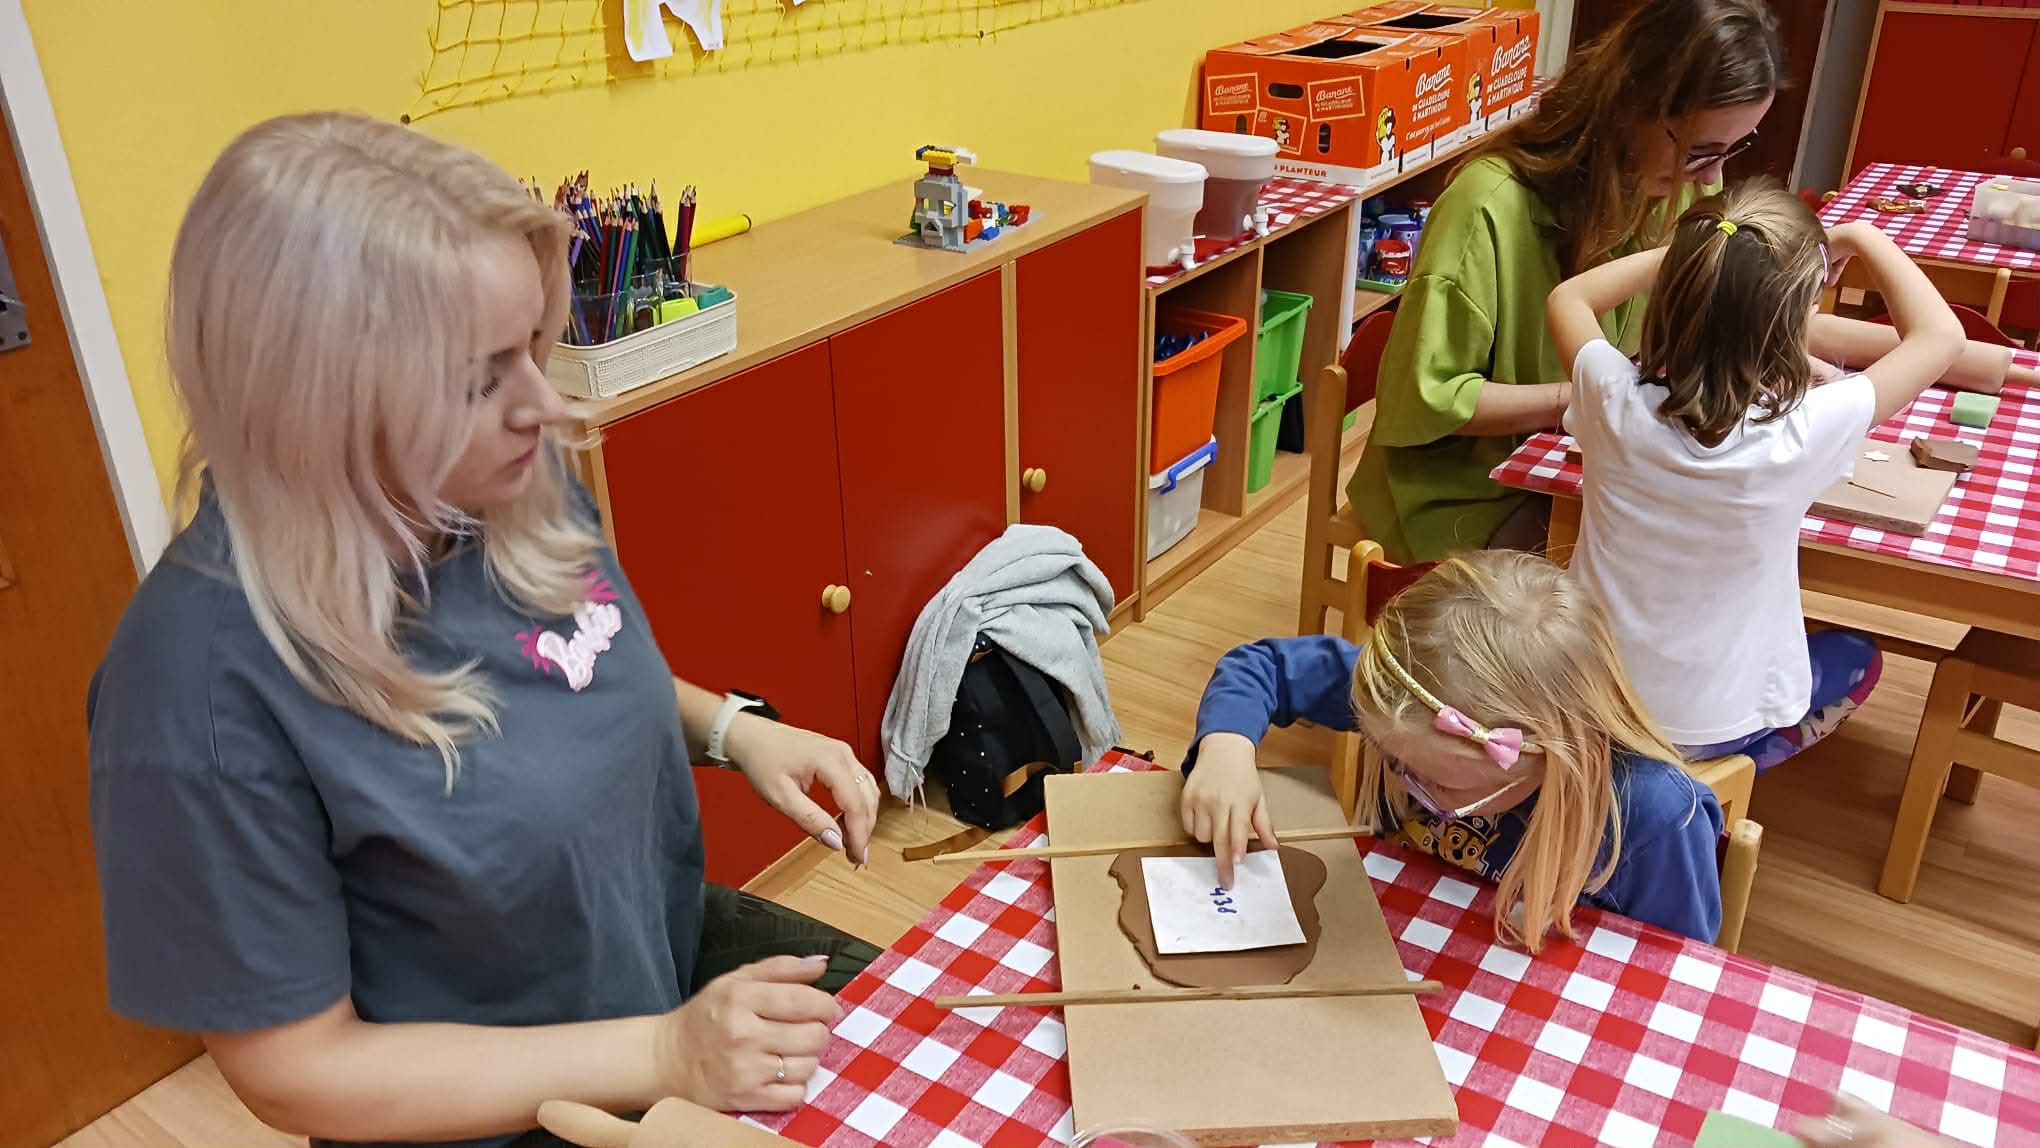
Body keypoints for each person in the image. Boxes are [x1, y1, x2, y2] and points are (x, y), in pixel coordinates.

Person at [86, 112, 885, 1148]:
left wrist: (733, 730)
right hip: (496, 1111)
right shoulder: (195, 690)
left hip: (655, 964)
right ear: (314, 404)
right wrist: (660, 1055)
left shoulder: (492, 480)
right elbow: (297, 1070)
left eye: (533, 346)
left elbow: (567, 667)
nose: (543, 406)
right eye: (479, 379)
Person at [1350, 0, 1785, 562]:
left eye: (1735, 148)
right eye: (1701, 151)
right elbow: (1425, 399)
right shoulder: (1486, 206)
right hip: (1469, 490)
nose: (1713, 177)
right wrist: (1589, 395)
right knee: (1635, 569)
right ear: (1631, 104)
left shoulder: (1677, 188)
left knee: (1710, 542)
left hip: (1578, 464)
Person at [1546, 183, 1963, 768]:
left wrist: (1705, 256)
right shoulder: (1806, 428)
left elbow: (1571, 296)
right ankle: (1724, 772)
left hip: (1582, 704)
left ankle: (1656, 776)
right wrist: (1861, 235)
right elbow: (1942, 337)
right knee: (1859, 658)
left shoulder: (1609, 394)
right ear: (1794, 320)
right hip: (1708, 727)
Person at [1180, 550, 1723, 949]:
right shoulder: (1407, 697)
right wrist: (1225, 750)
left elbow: (1678, 973)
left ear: (1546, 755)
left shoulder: (1653, 818)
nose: (1406, 782)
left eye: (1440, 785)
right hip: (1395, 940)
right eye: (1393, 761)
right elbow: (1262, 666)